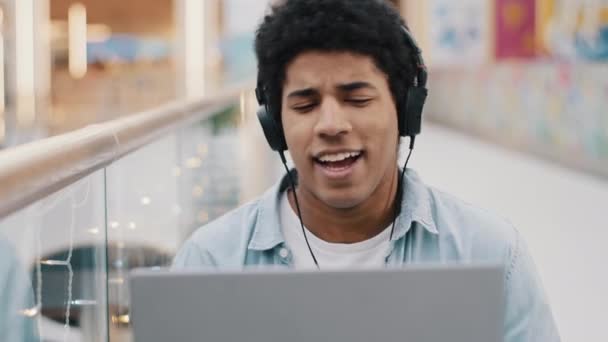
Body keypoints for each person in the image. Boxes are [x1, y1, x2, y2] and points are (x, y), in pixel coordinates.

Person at [173, 0, 560, 340]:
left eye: (357, 98)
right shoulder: (210, 262)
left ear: (406, 111)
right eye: (305, 105)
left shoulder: (488, 253)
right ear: (275, 126)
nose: (331, 124)